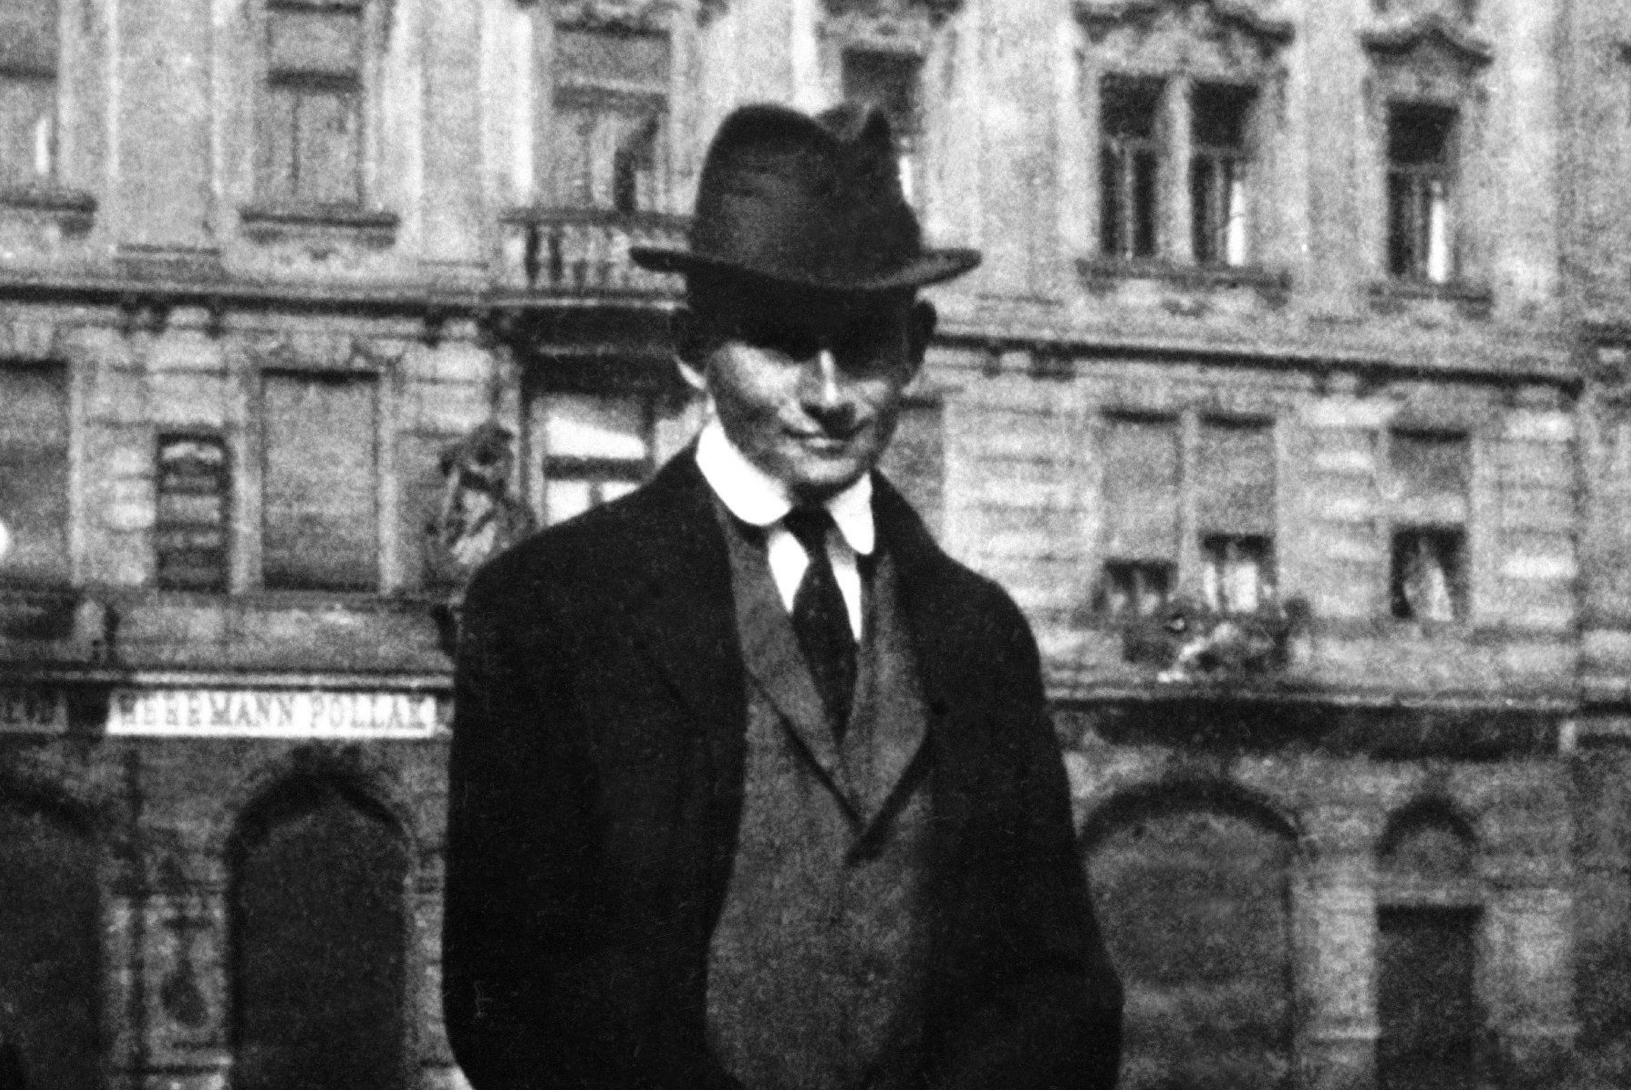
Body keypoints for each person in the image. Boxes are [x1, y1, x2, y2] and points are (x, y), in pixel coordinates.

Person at [441, 102, 1122, 1090]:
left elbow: (1058, 992)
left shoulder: (979, 634)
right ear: (690, 348)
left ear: (918, 344)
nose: (832, 392)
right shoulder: (550, 611)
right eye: (783, 345)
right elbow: (510, 993)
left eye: (866, 341)